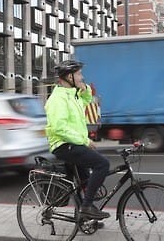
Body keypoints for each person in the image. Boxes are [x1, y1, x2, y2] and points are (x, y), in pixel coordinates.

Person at [44, 60, 110, 220]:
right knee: (102, 164)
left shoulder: (72, 96)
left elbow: (86, 100)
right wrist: (85, 141)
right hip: (63, 145)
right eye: (79, 74)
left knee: (83, 181)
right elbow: (59, 128)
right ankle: (87, 208)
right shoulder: (57, 99)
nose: (82, 77)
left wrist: (85, 88)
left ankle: (83, 218)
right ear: (68, 77)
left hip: (73, 143)